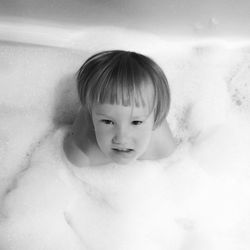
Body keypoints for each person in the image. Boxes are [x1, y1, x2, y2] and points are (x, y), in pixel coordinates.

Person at [63, 50, 176, 166]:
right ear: (91, 118)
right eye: (108, 121)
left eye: (136, 122)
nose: (122, 138)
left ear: (156, 121)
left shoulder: (164, 148)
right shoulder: (81, 153)